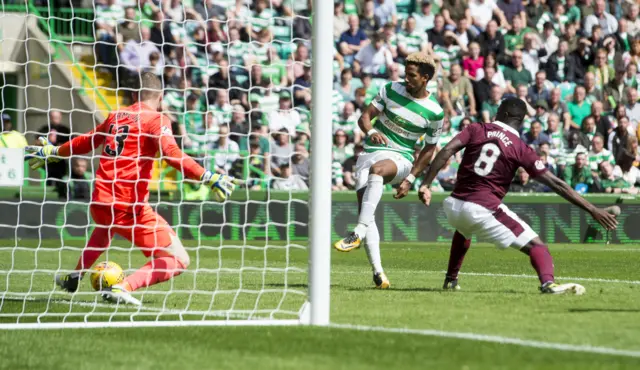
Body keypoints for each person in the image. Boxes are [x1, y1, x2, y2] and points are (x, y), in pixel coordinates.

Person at [25, 72, 238, 306]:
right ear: (161, 97)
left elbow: (87, 140)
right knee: (179, 258)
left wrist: (55, 151)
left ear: (136, 94)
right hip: (129, 205)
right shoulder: (157, 119)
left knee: (104, 229)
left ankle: (74, 276)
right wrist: (206, 175)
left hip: (100, 199)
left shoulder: (116, 116)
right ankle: (123, 287)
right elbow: (171, 154)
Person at [412, 98, 617, 294]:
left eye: (499, 109)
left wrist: (426, 184)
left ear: (505, 113)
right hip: (482, 208)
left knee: (463, 230)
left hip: (453, 205)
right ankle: (548, 284)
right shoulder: (520, 147)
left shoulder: (477, 129)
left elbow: (447, 150)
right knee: (537, 246)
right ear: (521, 120)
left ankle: (451, 279)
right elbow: (557, 184)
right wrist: (592, 209)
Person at [333, 53, 444, 290]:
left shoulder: (435, 112)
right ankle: (379, 273)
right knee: (368, 211)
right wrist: (370, 131)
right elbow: (365, 118)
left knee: (378, 170)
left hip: (400, 158)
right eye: (406, 71)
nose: (406, 77)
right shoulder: (390, 89)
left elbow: (429, 148)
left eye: (412, 75)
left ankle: (358, 232)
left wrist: (412, 178)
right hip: (369, 153)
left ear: (425, 78)